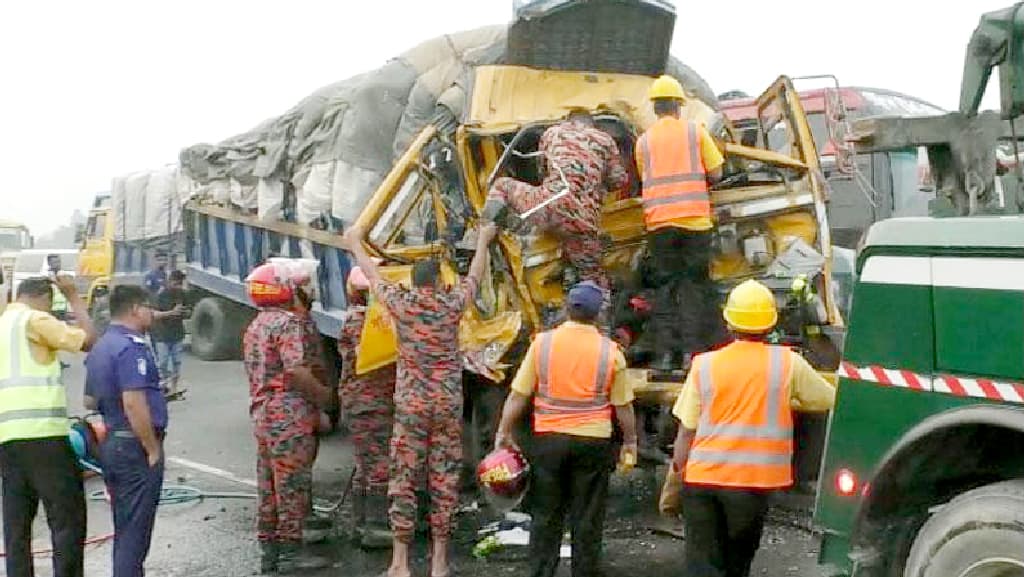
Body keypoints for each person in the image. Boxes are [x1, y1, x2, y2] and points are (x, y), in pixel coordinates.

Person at [343, 221, 498, 577]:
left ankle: (399, 563)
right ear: (439, 282)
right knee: (444, 479)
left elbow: (371, 273)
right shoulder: (451, 304)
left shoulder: (401, 303)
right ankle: (439, 562)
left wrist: (355, 241)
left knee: (405, 479)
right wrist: (485, 241)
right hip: (446, 405)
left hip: (411, 405)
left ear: (413, 282)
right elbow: (474, 276)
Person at [670, 280, 836, 577]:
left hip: (703, 482)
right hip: (752, 487)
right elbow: (826, 398)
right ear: (770, 323)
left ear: (729, 321)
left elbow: (686, 429)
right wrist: (788, 395)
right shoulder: (787, 364)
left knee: (702, 565)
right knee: (738, 563)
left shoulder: (704, 364)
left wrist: (678, 469)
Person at [493, 281, 638, 577]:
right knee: (587, 517)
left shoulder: (542, 344)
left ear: (567, 309)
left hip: (548, 441)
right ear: (598, 315)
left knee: (545, 514)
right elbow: (623, 407)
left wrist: (503, 431)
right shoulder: (610, 352)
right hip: (593, 443)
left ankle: (541, 571)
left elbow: (518, 395)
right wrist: (630, 442)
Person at [0, 276, 96, 577]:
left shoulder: (2, 324)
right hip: (44, 435)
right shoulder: (35, 319)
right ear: (43, 297)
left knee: (17, 526)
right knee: (67, 518)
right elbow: (89, 340)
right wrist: (73, 296)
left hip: (7, 439)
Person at [242, 260, 333, 573]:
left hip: (262, 412)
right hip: (287, 412)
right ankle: (292, 555)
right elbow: (296, 370)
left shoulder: (255, 326)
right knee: (291, 484)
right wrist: (324, 397)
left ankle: (269, 552)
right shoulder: (288, 324)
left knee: (268, 484)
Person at [636, 75, 725, 371]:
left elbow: (644, 177)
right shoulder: (695, 133)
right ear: (678, 105)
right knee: (694, 289)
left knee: (664, 291)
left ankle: (664, 357)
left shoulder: (643, 142)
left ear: (656, 107)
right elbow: (716, 173)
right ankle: (691, 355)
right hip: (695, 222)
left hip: (659, 224)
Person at [487, 110, 628, 290]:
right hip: (583, 222)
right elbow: (618, 180)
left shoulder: (552, 133)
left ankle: (485, 231)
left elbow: (541, 172)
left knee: (501, 185)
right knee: (594, 281)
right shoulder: (605, 140)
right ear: (593, 125)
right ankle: (599, 311)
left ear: (567, 121)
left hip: (547, 206)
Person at [81, 285, 164, 577]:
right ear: (134, 309)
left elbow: (89, 399)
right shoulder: (132, 346)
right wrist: (152, 448)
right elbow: (133, 401)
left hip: (114, 443)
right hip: (134, 446)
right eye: (148, 307)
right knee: (135, 532)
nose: (151, 313)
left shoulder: (101, 346)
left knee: (124, 523)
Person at [337, 265, 397, 549]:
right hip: (373, 402)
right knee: (380, 465)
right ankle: (376, 526)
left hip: (359, 401)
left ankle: (359, 524)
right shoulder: (367, 323)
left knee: (364, 464)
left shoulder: (353, 319)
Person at [151, 270, 187, 398]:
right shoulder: (161, 295)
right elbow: (154, 314)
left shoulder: (182, 294)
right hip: (162, 334)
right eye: (177, 283)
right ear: (170, 281)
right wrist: (171, 313)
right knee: (163, 362)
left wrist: (185, 312)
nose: (179, 286)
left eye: (181, 283)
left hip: (177, 333)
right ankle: (162, 386)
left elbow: (187, 309)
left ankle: (174, 387)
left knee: (177, 362)